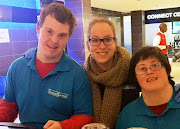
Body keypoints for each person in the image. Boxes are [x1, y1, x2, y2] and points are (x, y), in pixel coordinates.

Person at [0, 3, 94, 129]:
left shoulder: (77, 74)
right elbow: (8, 108)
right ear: (38, 29)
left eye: (62, 35)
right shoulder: (16, 68)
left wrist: (62, 126)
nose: (54, 40)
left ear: (68, 37)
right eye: (49, 31)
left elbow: (86, 117)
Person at [83, 18, 139, 129]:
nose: (102, 46)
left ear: (115, 42)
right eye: (95, 40)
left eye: (107, 39)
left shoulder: (132, 69)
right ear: (88, 45)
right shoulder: (82, 76)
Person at [116, 46, 180, 129]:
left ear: (167, 70)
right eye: (142, 69)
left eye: (155, 65)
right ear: (135, 77)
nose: (149, 71)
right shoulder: (128, 115)